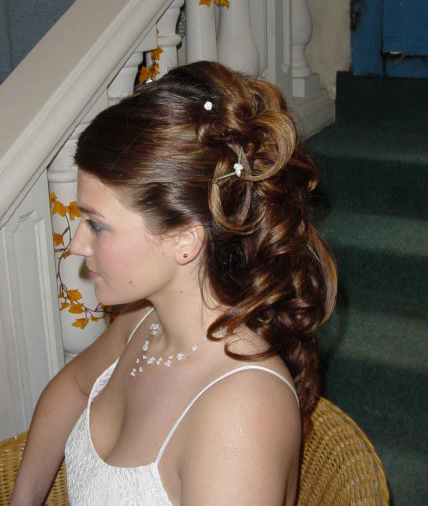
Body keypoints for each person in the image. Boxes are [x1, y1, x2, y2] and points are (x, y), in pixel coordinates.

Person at [10, 61, 336, 506]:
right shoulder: (141, 322)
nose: (77, 245)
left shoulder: (241, 414)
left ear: (184, 239)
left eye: (97, 224)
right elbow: (71, 388)